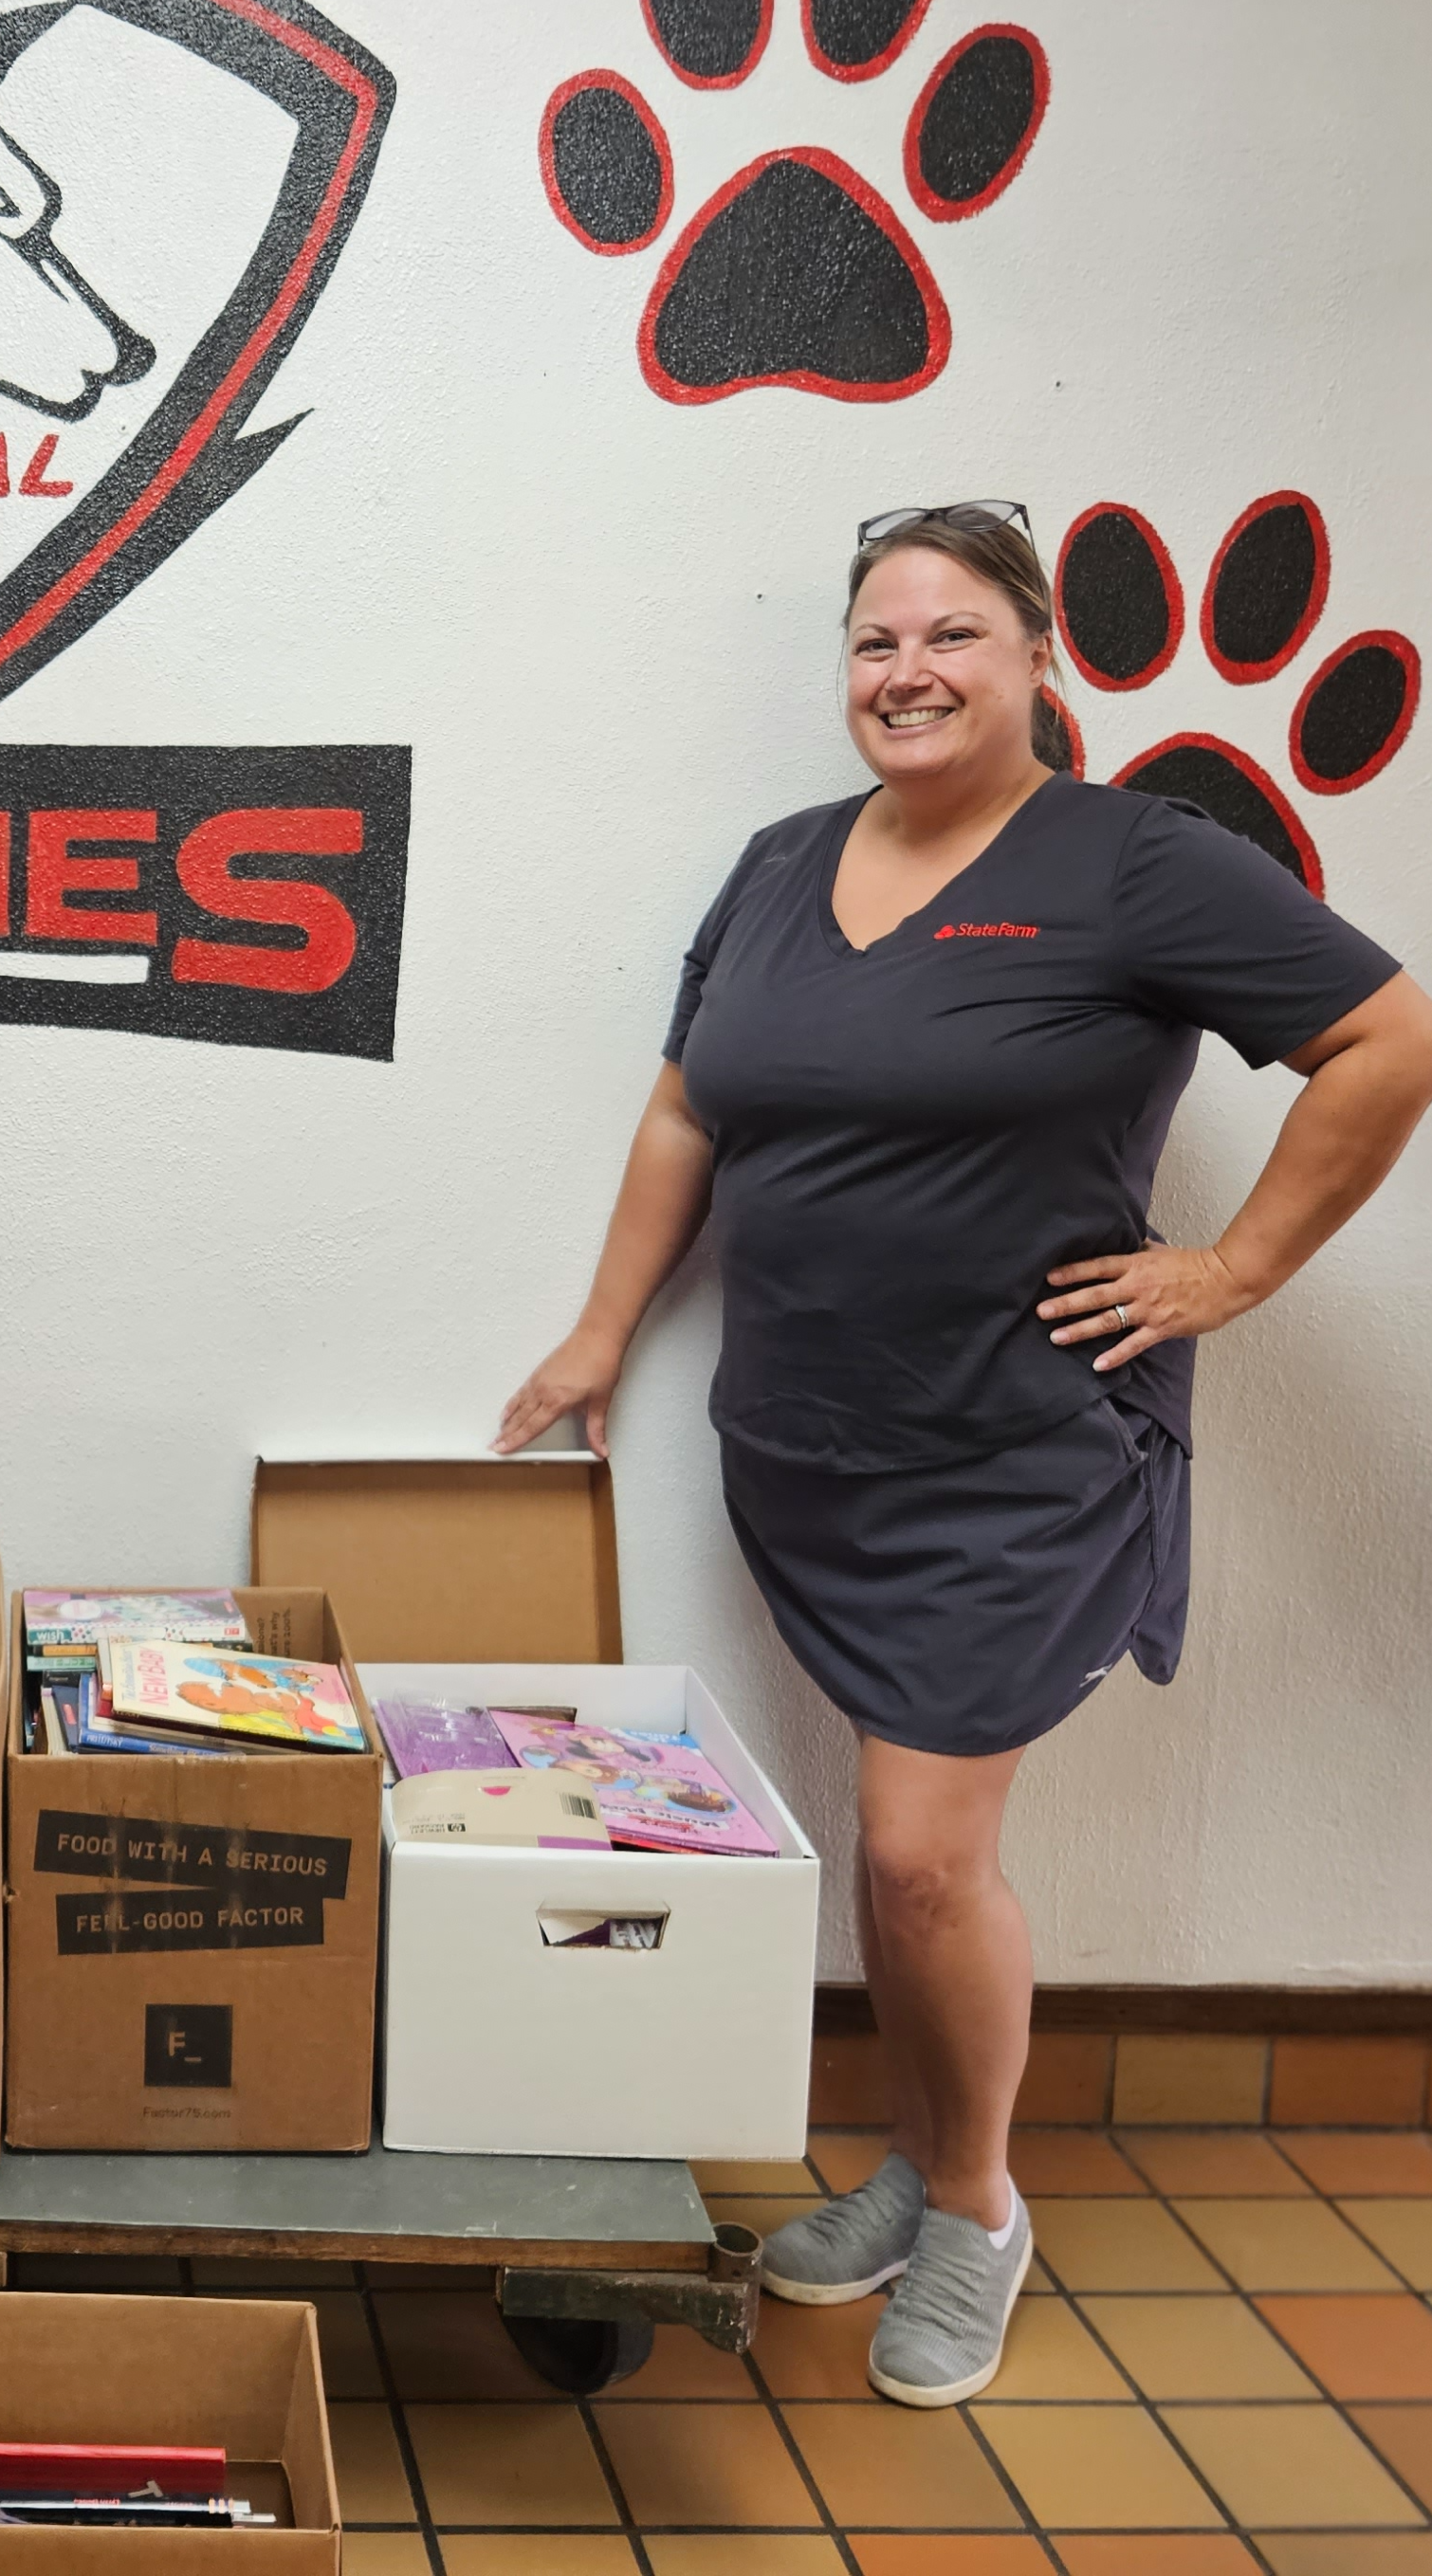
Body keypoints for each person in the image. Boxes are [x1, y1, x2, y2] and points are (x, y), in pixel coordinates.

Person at [496, 501, 1432, 2408]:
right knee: (898, 1845)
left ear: (1036, 660)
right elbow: (691, 1109)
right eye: (873, 643)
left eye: (950, 636)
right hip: (810, 1446)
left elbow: (1389, 1036)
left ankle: (982, 2208)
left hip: (1017, 1454)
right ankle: (925, 2164)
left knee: (925, 1857)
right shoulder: (776, 870)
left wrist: (1237, 1267)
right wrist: (606, 1328)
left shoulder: (1136, 865)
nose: (905, 673)